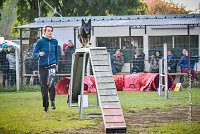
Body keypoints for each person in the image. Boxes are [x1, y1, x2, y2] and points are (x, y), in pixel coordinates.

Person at [33, 25, 58, 112]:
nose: (50, 32)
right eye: (48, 30)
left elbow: (56, 54)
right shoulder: (40, 42)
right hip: (42, 66)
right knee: (44, 86)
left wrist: (57, 64)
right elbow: (34, 53)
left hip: (52, 65)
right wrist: (39, 54)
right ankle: (45, 106)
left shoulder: (55, 41)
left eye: (51, 31)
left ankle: (52, 100)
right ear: (44, 31)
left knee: (51, 83)